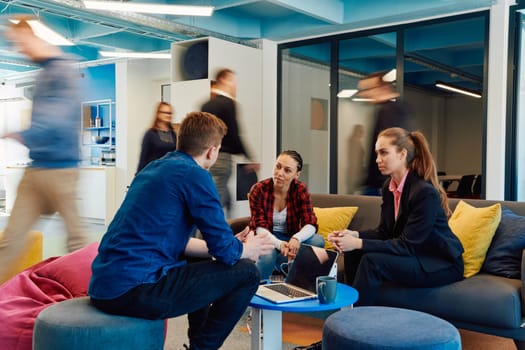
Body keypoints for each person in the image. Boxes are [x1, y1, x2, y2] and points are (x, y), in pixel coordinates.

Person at [88, 111, 273, 350]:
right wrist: (247, 249)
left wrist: (232, 245)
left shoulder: (155, 168)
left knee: (197, 258)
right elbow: (227, 253)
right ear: (211, 151)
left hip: (104, 285)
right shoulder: (195, 175)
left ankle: (197, 343)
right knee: (247, 273)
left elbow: (176, 241)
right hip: (135, 289)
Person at [328, 127, 464, 306]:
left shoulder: (424, 193)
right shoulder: (389, 187)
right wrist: (354, 236)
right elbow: (384, 232)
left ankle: (355, 321)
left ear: (402, 154)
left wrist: (359, 243)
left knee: (372, 262)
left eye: (384, 153)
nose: (378, 160)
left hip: (438, 263)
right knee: (354, 252)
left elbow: (407, 245)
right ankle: (351, 311)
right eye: (377, 154)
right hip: (414, 254)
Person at [0, 18, 86, 281]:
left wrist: (18, 134)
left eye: (21, 43)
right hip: (36, 171)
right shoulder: (43, 72)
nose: (20, 50)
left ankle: (95, 298)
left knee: (77, 242)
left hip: (61, 172)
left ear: (35, 36)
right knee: (11, 240)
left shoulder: (63, 71)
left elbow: (55, 121)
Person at [249, 150, 325, 280]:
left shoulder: (301, 190)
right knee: (268, 255)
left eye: (287, 170)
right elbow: (259, 228)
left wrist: (296, 239)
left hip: (290, 237)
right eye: (278, 166)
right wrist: (279, 244)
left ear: (297, 174)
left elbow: (310, 223)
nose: (280, 173)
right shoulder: (259, 189)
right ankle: (258, 288)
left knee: (318, 240)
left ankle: (287, 270)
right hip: (265, 237)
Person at [201, 68, 258, 217]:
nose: (235, 85)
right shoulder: (229, 104)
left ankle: (228, 230)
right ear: (223, 80)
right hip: (222, 158)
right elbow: (234, 133)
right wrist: (249, 157)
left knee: (225, 198)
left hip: (206, 157)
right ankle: (206, 235)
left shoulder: (206, 105)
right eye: (233, 81)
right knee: (217, 201)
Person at [358, 71, 410, 196]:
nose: (364, 94)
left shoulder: (390, 111)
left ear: (382, 88)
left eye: (368, 89)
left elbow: (390, 148)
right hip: (380, 182)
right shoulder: (387, 109)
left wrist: (384, 181)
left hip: (382, 183)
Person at [136, 101, 177, 173]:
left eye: (170, 113)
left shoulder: (173, 134)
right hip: (153, 173)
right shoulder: (151, 134)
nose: (168, 115)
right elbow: (143, 158)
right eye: (165, 112)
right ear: (158, 114)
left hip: (169, 173)